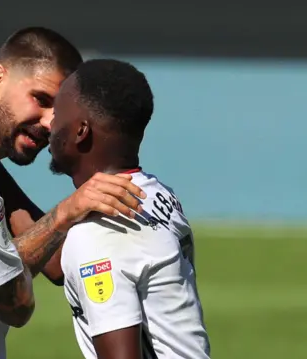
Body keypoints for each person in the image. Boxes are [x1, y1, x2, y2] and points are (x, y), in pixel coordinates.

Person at [0, 27, 143, 359]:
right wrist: (65, 214)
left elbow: (55, 263)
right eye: (41, 99)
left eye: (59, 110)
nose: (51, 123)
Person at [48, 59, 211, 359]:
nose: (49, 123)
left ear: (81, 130)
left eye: (57, 114)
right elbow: (56, 261)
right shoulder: (156, 194)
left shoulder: (98, 235)